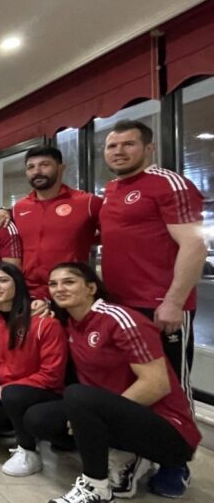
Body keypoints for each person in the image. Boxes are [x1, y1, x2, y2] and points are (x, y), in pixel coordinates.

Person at [24, 263, 201, 503]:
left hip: (170, 431)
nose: (59, 288)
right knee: (38, 418)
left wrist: (95, 412)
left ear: (91, 288)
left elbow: (156, 384)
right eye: (53, 284)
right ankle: (123, 455)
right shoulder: (71, 324)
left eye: (69, 282)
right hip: (124, 416)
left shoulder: (119, 319)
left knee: (78, 396)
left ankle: (98, 494)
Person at [98, 119, 205, 394]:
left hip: (159, 308)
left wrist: (174, 302)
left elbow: (194, 245)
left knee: (171, 389)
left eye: (128, 144)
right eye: (112, 146)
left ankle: (180, 438)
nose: (118, 151)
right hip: (120, 306)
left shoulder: (170, 184)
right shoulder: (111, 189)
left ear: (149, 148)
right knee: (135, 386)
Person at [0, 263, 67, 477]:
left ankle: (28, 451)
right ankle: (21, 425)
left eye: (3, 280)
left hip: (44, 391)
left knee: (13, 395)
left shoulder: (44, 321)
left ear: (17, 283)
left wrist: (6, 389)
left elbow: (52, 375)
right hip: (11, 390)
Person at [13, 146, 102, 302]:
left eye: (44, 165)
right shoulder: (18, 208)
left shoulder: (87, 202)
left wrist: (86, 239)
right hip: (28, 293)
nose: (37, 171)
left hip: (69, 292)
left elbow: (114, 234)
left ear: (61, 168)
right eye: (31, 167)